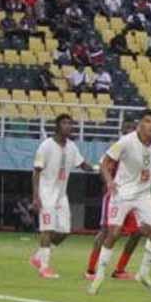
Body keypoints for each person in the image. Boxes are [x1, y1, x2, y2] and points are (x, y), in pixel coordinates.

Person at [88, 109, 151, 296]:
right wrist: (109, 181)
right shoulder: (125, 141)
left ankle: (144, 274)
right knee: (114, 232)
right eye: (148, 121)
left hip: (143, 195)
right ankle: (99, 275)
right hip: (122, 193)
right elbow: (105, 162)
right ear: (140, 123)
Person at [29, 114, 94, 279]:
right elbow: (36, 171)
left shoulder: (72, 147)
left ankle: (38, 256)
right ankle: (44, 268)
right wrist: (36, 196)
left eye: (70, 123)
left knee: (65, 231)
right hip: (46, 193)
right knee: (47, 229)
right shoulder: (46, 146)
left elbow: (81, 164)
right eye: (64, 123)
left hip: (61, 195)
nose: (68, 126)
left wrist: (97, 167)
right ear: (57, 126)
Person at [85, 120, 144, 281]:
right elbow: (103, 169)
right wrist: (109, 183)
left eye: (132, 130)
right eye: (126, 131)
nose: (129, 133)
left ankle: (120, 270)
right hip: (115, 197)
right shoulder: (115, 150)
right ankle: (91, 270)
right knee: (107, 232)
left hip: (133, 198)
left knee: (138, 232)